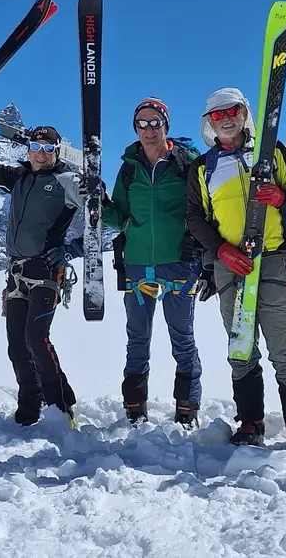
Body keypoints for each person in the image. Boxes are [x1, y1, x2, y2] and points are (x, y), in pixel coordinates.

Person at [185, 87, 286, 457]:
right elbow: (196, 219)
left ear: (244, 114)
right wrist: (221, 250)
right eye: (217, 114)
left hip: (273, 258)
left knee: (282, 348)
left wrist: (281, 198)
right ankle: (250, 422)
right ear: (209, 123)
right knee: (240, 349)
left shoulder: (272, 153)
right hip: (231, 267)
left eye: (233, 111)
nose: (226, 118)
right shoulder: (203, 167)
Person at [0, 121, 83, 427]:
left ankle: (60, 406)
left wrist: (72, 249)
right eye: (35, 147)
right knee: (17, 344)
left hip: (46, 271)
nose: (40, 153)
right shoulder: (20, 176)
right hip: (16, 274)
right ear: (29, 149)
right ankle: (30, 403)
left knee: (36, 338)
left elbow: (101, 217)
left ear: (57, 151)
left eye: (47, 148)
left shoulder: (67, 180)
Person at [101, 97, 204, 427]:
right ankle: (134, 405)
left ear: (165, 125)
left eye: (154, 122)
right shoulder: (129, 168)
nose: (148, 129)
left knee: (183, 337)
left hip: (178, 262)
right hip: (137, 262)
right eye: (141, 123)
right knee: (137, 338)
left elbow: (203, 206)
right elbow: (119, 215)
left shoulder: (185, 163)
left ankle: (187, 408)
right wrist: (99, 203)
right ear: (135, 128)